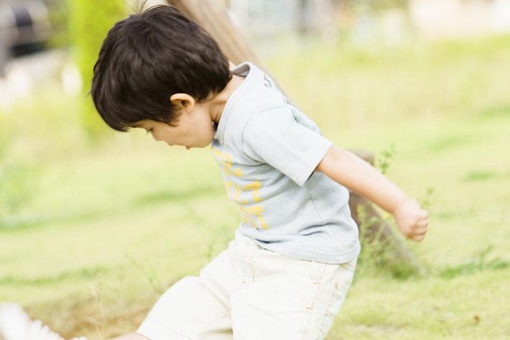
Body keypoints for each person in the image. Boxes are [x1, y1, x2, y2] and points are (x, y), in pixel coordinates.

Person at [91, 5, 429, 340]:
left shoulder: (257, 120)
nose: (159, 140)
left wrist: (399, 205)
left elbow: (334, 158)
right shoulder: (224, 88)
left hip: (301, 265)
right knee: (174, 320)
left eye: (152, 128)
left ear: (183, 103)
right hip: (252, 253)